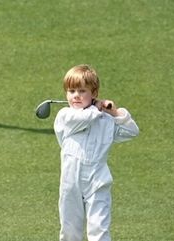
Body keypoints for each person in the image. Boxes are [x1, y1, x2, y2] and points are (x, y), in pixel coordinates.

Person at [53, 65, 140, 241]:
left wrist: (114, 112)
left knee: (99, 230)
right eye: (71, 91)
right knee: (70, 230)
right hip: (71, 180)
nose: (75, 95)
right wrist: (97, 106)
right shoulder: (65, 115)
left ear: (93, 93)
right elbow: (84, 118)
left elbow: (132, 131)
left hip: (98, 179)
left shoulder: (105, 120)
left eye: (82, 90)